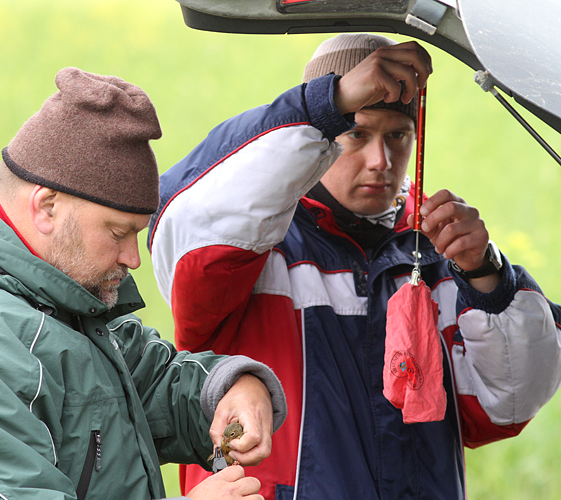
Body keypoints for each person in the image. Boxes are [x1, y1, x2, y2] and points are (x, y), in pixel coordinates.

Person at [147, 34, 561, 500]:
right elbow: (184, 215)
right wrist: (330, 100)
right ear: (322, 133)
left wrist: (487, 276)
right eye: (357, 134)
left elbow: (506, 407)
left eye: (398, 136)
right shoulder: (253, 246)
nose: (380, 161)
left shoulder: (443, 253)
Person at [0, 67, 289, 500]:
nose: (133, 258)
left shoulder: (56, 303)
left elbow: (151, 383)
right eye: (118, 232)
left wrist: (232, 388)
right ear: (47, 207)